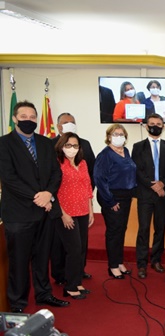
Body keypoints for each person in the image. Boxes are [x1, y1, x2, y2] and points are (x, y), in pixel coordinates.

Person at [0, 100, 69, 312]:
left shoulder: (46, 143)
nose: (28, 120)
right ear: (14, 119)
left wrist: (48, 195)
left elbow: (56, 174)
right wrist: (37, 197)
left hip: (45, 212)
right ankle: (18, 304)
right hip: (19, 214)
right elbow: (9, 178)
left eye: (32, 117)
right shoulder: (4, 144)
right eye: (23, 117)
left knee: (42, 258)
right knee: (19, 261)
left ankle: (44, 294)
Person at [50, 112, 96, 284]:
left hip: (82, 208)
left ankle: (77, 276)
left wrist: (90, 208)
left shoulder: (83, 157)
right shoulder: (53, 153)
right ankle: (62, 277)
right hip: (63, 210)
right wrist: (62, 212)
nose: (72, 148)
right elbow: (52, 188)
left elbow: (88, 182)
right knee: (63, 246)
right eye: (69, 145)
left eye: (75, 146)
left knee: (79, 246)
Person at [94, 124, 137, 279]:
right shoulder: (105, 155)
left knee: (121, 230)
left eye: (121, 134)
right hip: (111, 198)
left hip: (126, 197)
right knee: (113, 232)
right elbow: (99, 179)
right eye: (115, 133)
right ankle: (112, 266)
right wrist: (111, 201)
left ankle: (119, 262)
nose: (119, 136)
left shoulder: (125, 151)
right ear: (109, 136)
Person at [131, 114, 165, 279]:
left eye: (159, 124)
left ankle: (156, 260)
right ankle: (141, 264)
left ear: (163, 127)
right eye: (152, 123)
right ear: (146, 126)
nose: (155, 126)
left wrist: (162, 183)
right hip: (145, 194)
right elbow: (136, 170)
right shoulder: (138, 146)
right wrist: (153, 185)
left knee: (160, 229)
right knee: (144, 229)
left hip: (163, 194)